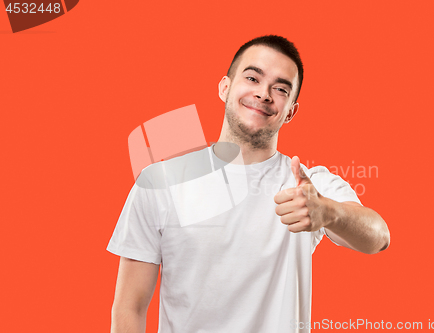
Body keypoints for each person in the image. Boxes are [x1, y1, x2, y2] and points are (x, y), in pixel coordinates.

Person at [107, 35, 390, 333]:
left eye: (280, 88)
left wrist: (329, 213)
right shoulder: (159, 183)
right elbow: (130, 307)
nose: (264, 93)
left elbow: (379, 236)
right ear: (225, 88)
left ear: (291, 111)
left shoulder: (308, 188)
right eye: (252, 77)